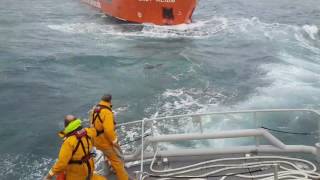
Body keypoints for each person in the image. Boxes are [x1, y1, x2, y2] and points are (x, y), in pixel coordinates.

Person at [44, 115, 106, 180]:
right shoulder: (87, 131)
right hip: (89, 168)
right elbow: (97, 131)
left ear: (66, 125)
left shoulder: (68, 142)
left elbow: (62, 164)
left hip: (77, 173)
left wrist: (49, 175)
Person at [90, 94, 129, 180]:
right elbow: (108, 130)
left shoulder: (94, 109)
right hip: (105, 142)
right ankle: (124, 178)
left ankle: (110, 168)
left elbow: (92, 125)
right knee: (117, 160)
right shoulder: (107, 112)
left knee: (108, 155)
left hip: (96, 140)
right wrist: (114, 141)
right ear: (110, 101)